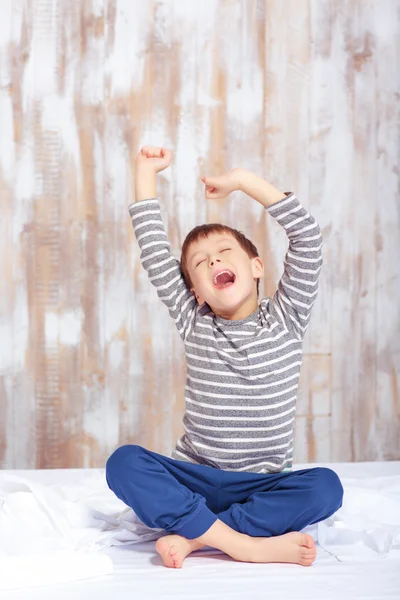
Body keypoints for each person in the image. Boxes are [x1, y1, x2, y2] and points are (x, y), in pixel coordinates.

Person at [105, 145, 343, 569]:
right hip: (194, 478)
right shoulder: (194, 320)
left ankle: (196, 539)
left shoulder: (287, 316)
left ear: (256, 267)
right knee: (124, 464)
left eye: (224, 252)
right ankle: (245, 546)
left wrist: (244, 181)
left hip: (261, 486)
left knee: (326, 488)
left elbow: (307, 238)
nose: (213, 258)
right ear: (196, 292)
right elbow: (155, 253)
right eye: (200, 261)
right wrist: (145, 173)